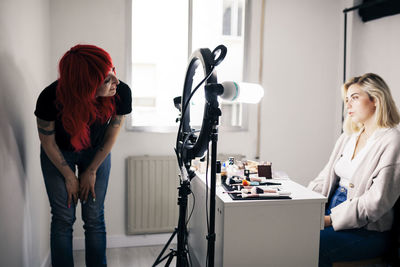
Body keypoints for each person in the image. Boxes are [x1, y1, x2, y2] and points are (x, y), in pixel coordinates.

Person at [34, 44, 132, 267]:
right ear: (85, 86)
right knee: (63, 218)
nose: (115, 81)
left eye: (113, 71)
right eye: (106, 80)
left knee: (94, 217)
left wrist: (91, 170)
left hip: (96, 152)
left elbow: (111, 135)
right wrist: (69, 176)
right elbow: (47, 141)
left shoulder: (120, 92)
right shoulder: (50, 98)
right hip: (59, 153)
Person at [308, 73, 400, 266]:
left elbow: (376, 202)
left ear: (376, 100)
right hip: (329, 212)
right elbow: (323, 179)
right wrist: (303, 203)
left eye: (355, 98)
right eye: (347, 99)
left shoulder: (392, 140)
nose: (348, 105)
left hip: (368, 231)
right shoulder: (348, 137)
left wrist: (329, 219)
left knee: (310, 246)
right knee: (290, 235)